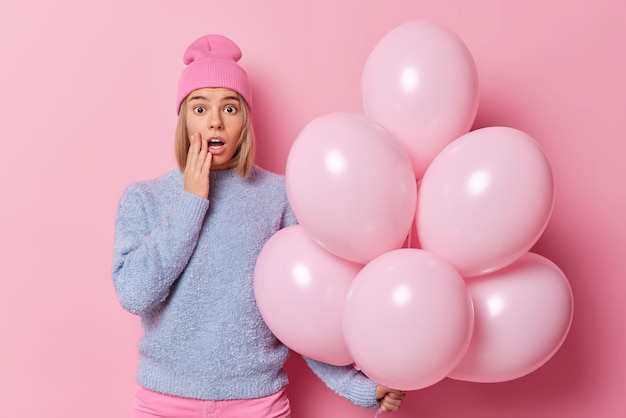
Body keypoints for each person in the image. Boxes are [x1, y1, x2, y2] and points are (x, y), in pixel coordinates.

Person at [112, 34, 406, 417]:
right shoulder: (143, 199)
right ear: (183, 118)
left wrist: (356, 386)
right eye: (200, 109)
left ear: (245, 119)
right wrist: (191, 201)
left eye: (230, 109)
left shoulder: (280, 197)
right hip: (163, 405)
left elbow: (302, 310)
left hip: (256, 405)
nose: (215, 121)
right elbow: (134, 293)